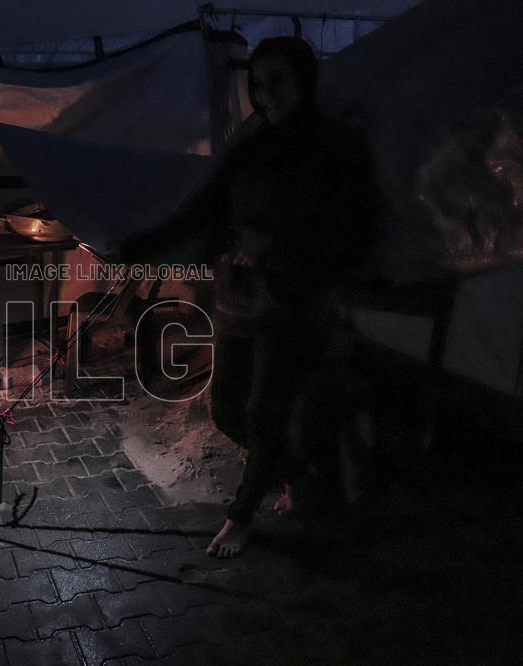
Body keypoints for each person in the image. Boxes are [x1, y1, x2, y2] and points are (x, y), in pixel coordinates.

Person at [122, 36, 376, 557]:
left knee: (265, 410)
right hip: (236, 299)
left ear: (306, 79)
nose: (265, 95)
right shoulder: (254, 146)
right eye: (256, 84)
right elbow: (204, 207)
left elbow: (348, 233)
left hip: (290, 301)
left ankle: (242, 516)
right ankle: (300, 473)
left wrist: (274, 247)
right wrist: (139, 243)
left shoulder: (336, 148)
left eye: (277, 80)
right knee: (225, 411)